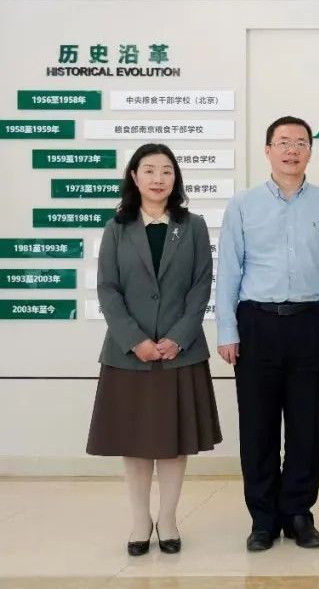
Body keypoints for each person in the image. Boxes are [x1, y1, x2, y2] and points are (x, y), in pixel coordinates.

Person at [216, 116, 319, 552]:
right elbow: (229, 270)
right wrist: (227, 330)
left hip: (308, 322)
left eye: (301, 143)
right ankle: (262, 518)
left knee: (306, 426)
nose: (292, 150)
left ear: (310, 150)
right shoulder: (243, 205)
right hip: (255, 323)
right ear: (268, 150)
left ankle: (298, 513)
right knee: (258, 427)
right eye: (283, 142)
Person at [88, 142, 221, 556]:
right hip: (129, 355)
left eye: (166, 171)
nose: (158, 179)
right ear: (134, 177)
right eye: (149, 170)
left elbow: (201, 285)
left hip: (181, 351)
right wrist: (136, 340)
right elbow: (108, 289)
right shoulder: (117, 228)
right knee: (135, 442)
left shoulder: (193, 225)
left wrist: (179, 336)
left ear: (175, 178)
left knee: (174, 441)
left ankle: (167, 518)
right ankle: (139, 520)